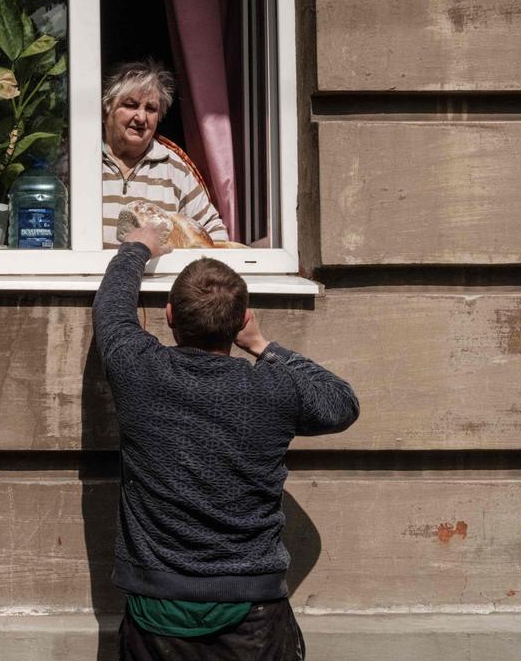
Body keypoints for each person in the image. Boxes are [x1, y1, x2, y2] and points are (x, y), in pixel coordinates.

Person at [92, 227, 360, 660]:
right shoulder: (272, 388)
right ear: (241, 320)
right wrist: (263, 345)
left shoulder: (137, 370)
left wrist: (136, 249)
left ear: (170, 316)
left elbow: (111, 310)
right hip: (254, 614)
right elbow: (341, 403)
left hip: (156, 610)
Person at [102, 60, 229, 248]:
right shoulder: (81, 161)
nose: (141, 117)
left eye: (151, 109)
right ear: (107, 109)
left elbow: (215, 236)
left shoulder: (174, 167)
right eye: (130, 105)